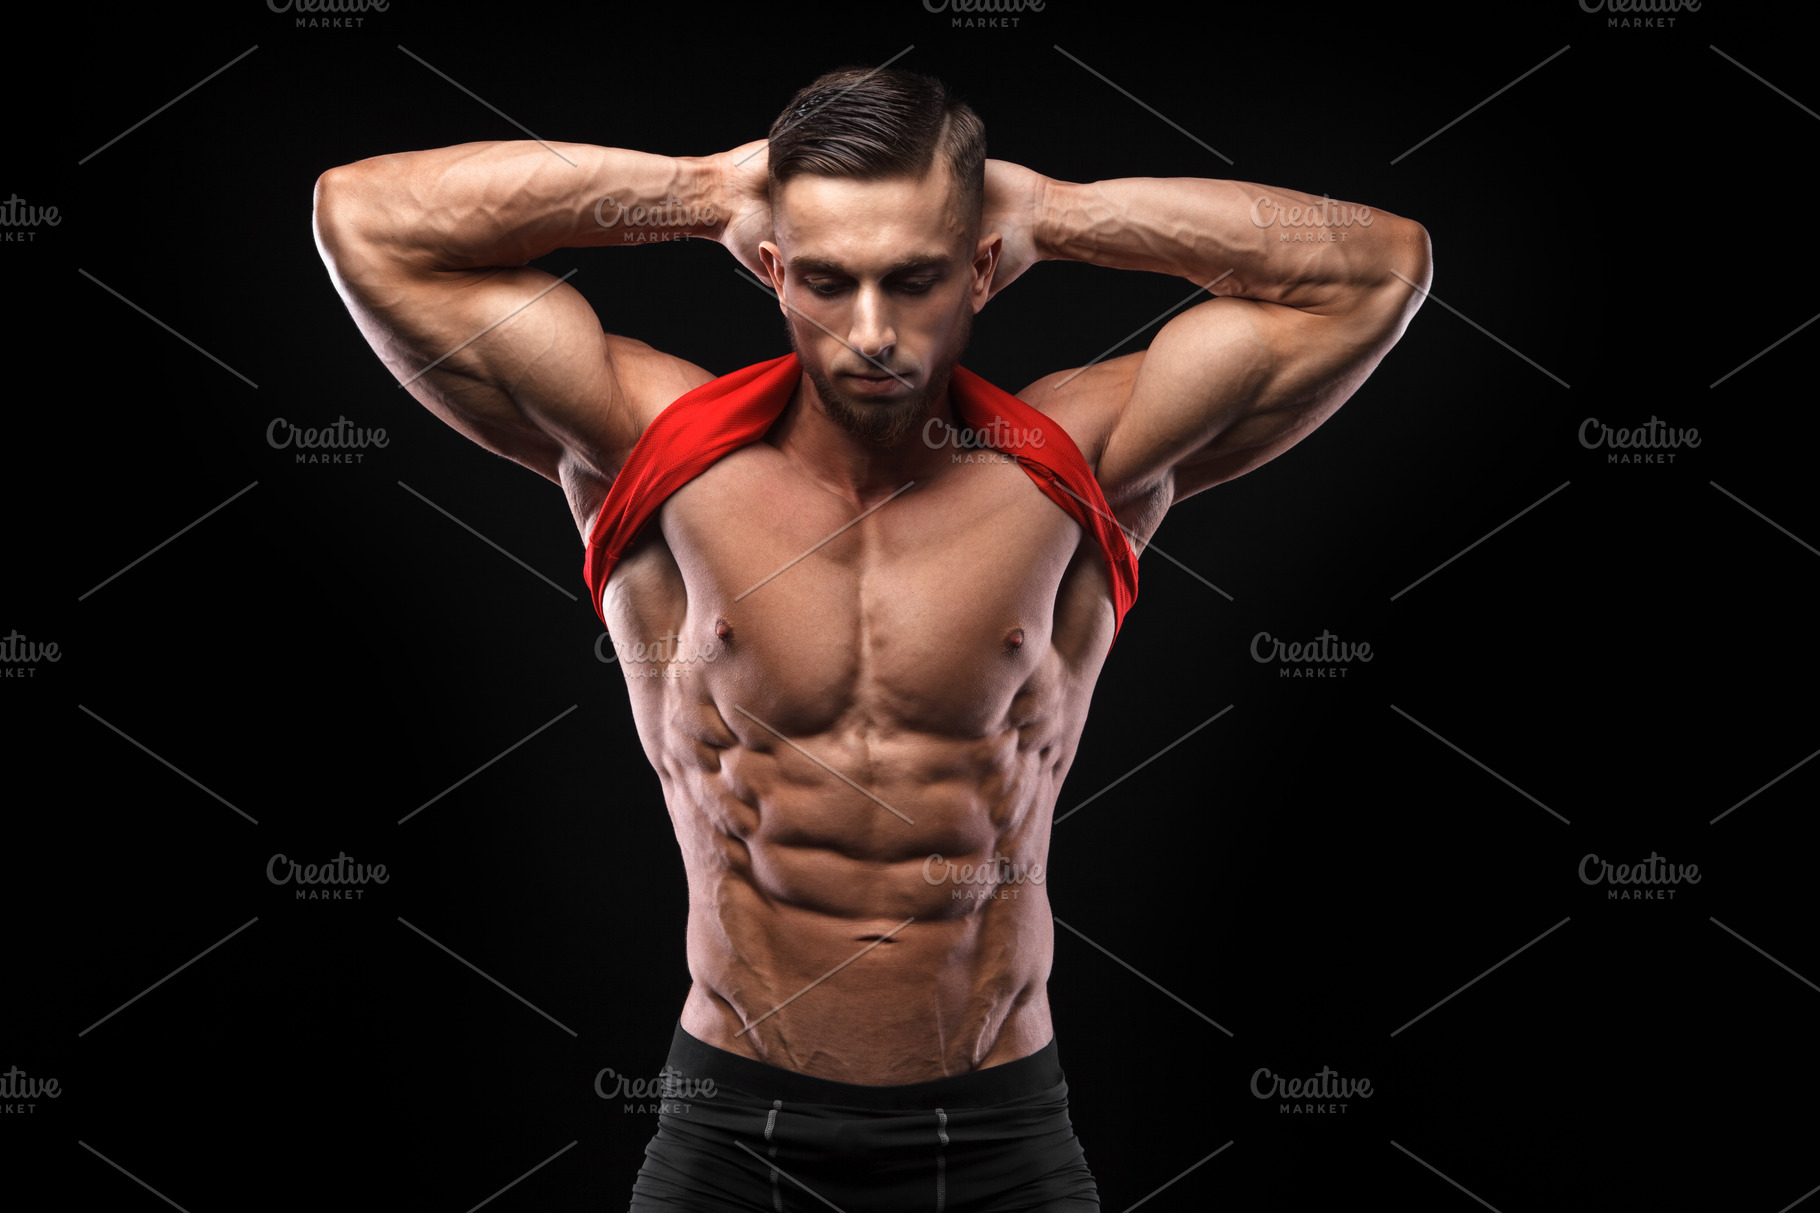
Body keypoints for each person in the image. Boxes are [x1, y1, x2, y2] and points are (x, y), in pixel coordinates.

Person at [313, 64, 1430, 1212]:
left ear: (981, 269)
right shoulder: (652, 449)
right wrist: (706, 189)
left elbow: (1373, 269)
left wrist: (1054, 211)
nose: (870, 333)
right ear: (768, 267)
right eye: (826, 280)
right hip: (729, 1137)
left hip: (999, 1136)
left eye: (914, 278)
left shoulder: (1077, 462)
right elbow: (369, 219)